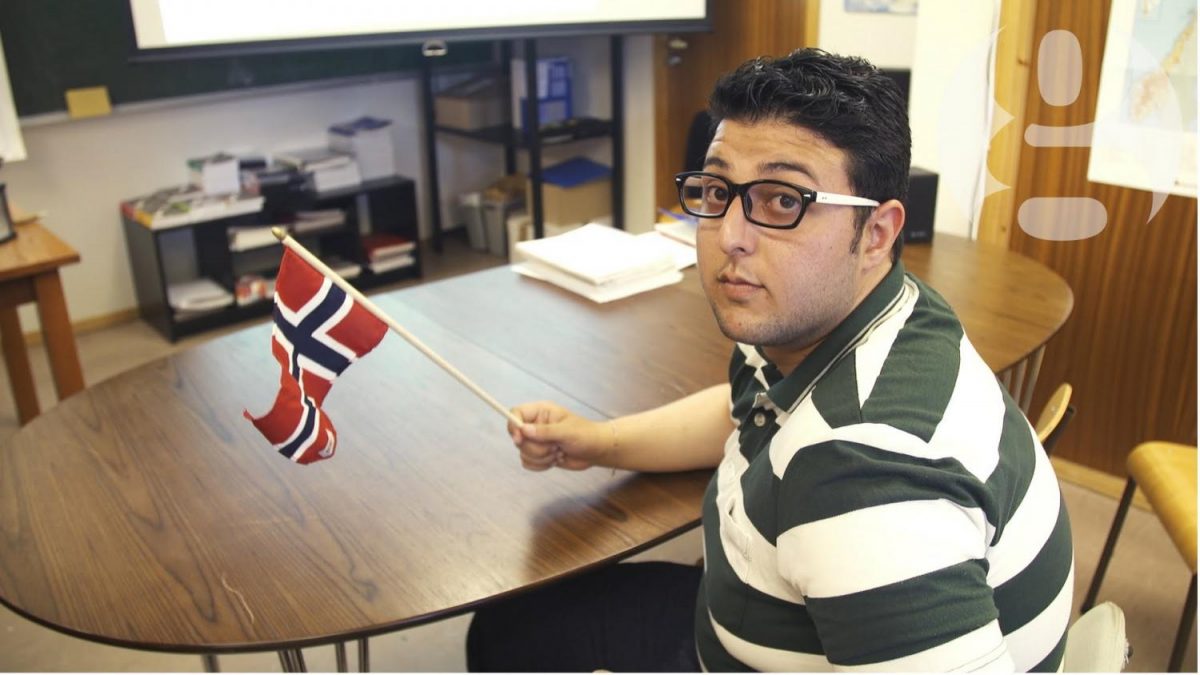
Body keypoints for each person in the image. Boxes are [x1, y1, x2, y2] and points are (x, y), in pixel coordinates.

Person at [467, 48, 1073, 672]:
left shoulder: (863, 480)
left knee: (509, 638)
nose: (730, 233)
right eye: (715, 189)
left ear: (877, 234)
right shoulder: (861, 310)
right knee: (513, 627)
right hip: (761, 621)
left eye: (783, 200)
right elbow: (746, 408)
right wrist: (600, 441)